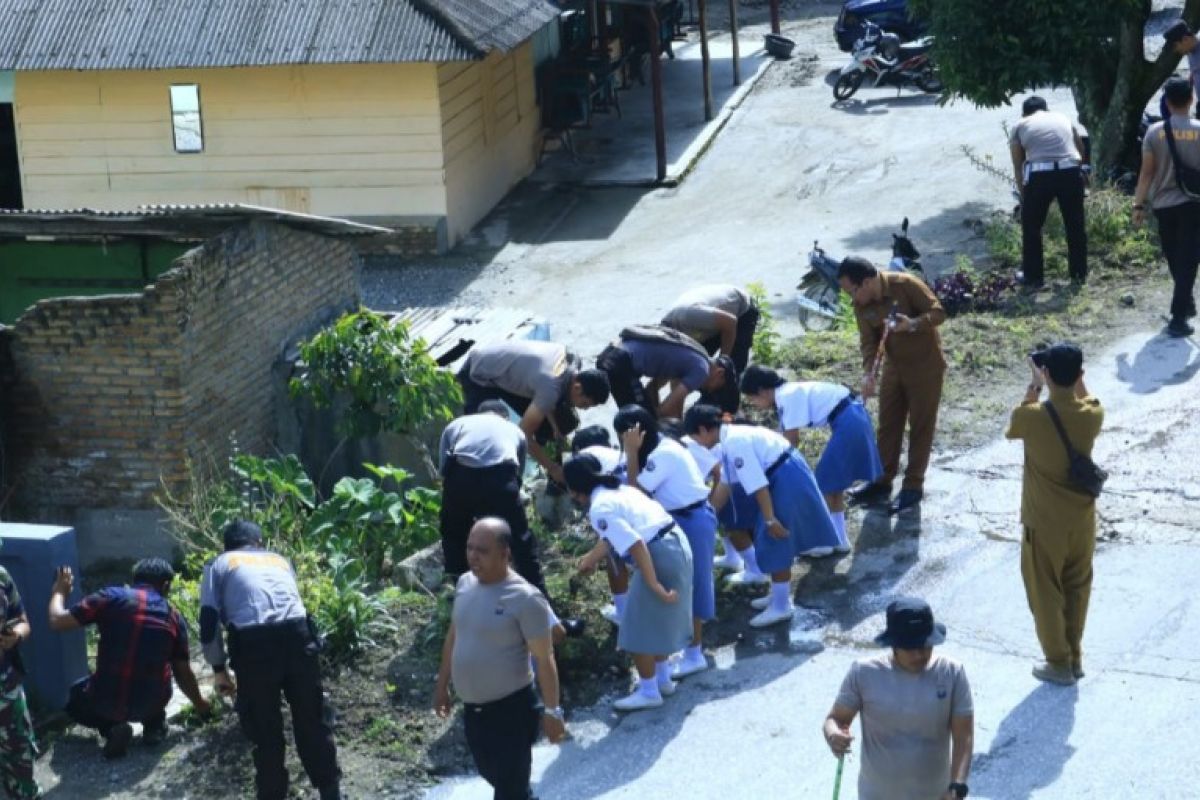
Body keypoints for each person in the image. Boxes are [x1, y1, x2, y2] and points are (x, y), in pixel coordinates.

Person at [200, 521, 342, 800]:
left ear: (227, 545)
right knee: (312, 719)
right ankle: (331, 792)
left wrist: (219, 669)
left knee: (265, 729)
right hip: (300, 638)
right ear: (258, 542)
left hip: (255, 647)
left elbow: (208, 621)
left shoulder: (219, 564)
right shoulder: (279, 560)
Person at [433, 518, 566, 800]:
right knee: (497, 777)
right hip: (473, 712)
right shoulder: (465, 584)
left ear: (505, 553)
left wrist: (553, 712)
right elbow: (454, 636)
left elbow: (545, 659)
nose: (472, 556)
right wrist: (442, 684)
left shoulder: (526, 598)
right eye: (470, 548)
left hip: (512, 712)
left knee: (509, 790)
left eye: (482, 550)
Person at [684, 405, 840, 628]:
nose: (698, 444)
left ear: (703, 430)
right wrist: (708, 516)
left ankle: (781, 605)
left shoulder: (735, 442)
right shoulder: (731, 440)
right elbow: (726, 486)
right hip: (784, 473)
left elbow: (758, 485)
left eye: (695, 438)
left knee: (774, 536)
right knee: (772, 538)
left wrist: (769, 519)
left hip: (784, 478)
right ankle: (778, 595)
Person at [438, 401, 583, 640]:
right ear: (504, 417)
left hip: (460, 476)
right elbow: (517, 474)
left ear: (479, 413)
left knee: (455, 540)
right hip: (500, 478)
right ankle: (547, 617)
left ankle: (462, 607)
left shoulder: (458, 424)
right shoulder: (514, 430)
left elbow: (445, 467)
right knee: (522, 547)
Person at [1005, 343, 1103, 685]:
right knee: (1077, 585)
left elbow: (1014, 426)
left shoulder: (1030, 417)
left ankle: (1058, 663)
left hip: (1043, 523)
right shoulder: (1092, 416)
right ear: (1079, 375)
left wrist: (1035, 383)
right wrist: (1072, 380)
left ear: (1046, 373)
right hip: (1082, 520)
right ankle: (1074, 656)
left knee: (1045, 592)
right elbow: (1087, 397)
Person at [566, 455, 693, 711]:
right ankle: (663, 679)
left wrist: (653, 583)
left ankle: (648, 692)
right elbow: (614, 536)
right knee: (656, 619)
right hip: (675, 543)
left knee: (634, 627)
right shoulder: (620, 489)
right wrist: (591, 558)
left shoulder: (599, 507)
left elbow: (635, 543)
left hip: (658, 554)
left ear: (573, 489)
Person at [47, 559, 209, 759]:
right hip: (150, 703)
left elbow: (57, 621)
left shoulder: (110, 598)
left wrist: (59, 591)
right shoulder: (174, 617)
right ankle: (154, 726)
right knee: (158, 678)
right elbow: (183, 672)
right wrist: (201, 705)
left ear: (134, 580)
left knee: (76, 698)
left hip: (105, 701)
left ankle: (111, 728)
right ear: (166, 585)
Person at [823, 598, 973, 800]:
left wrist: (958, 785)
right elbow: (836, 719)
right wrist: (834, 736)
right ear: (893, 645)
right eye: (910, 648)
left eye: (925, 645)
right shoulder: (863, 673)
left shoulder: (952, 673)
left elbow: (963, 737)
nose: (920, 654)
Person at [838, 257, 946, 515]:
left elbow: (939, 312)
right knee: (887, 425)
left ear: (866, 282)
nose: (852, 299)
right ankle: (881, 481)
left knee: (920, 425)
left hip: (925, 366)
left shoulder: (906, 284)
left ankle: (913, 486)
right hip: (894, 368)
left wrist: (914, 324)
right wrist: (868, 373)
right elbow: (868, 341)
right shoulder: (861, 305)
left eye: (852, 291)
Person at [615, 406, 716, 680]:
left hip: (691, 519)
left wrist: (632, 452)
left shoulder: (663, 453)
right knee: (680, 585)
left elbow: (636, 493)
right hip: (680, 518)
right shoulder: (661, 448)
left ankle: (695, 654)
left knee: (694, 585)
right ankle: (682, 647)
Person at [741, 365, 883, 554]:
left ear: (762, 391)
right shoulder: (788, 393)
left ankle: (822, 543)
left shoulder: (786, 397)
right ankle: (840, 539)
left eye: (752, 399)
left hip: (849, 422)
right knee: (833, 485)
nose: (754, 404)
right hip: (855, 416)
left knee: (822, 484)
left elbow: (790, 441)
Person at [457, 340, 610, 485]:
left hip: (507, 371)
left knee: (562, 422)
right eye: (584, 404)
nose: (583, 409)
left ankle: (547, 475)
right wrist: (553, 468)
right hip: (478, 372)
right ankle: (502, 481)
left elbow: (549, 393)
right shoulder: (551, 388)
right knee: (486, 438)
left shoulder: (571, 362)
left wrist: (555, 427)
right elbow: (522, 434)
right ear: (577, 387)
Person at [1132, 77, 1200, 338]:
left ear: (1167, 102)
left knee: (1174, 256)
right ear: (1191, 99)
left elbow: (1146, 173)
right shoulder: (1198, 129)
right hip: (1194, 204)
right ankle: (1181, 312)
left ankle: (1180, 310)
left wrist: (1138, 204)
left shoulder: (1154, 132)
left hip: (1164, 205)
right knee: (1188, 259)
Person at [1009, 95, 1089, 287]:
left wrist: (1024, 195)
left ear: (1024, 113)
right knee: (1075, 224)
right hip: (1070, 171)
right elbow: (1080, 148)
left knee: (1032, 226)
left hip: (1040, 176)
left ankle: (1033, 276)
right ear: (1047, 109)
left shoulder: (1020, 125)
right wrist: (1078, 171)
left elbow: (1018, 166)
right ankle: (1079, 273)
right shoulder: (1063, 119)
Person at [596, 326, 738, 418]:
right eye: (716, 388)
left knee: (632, 416)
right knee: (640, 419)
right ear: (719, 373)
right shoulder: (701, 370)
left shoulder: (694, 354)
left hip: (609, 354)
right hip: (621, 363)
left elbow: (652, 389)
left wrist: (654, 413)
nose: (708, 391)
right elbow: (665, 410)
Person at [0, 565, 40, 800]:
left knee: (20, 752)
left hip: (7, 688)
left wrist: (15, 635)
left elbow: (24, 622)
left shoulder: (2, 576)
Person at [660, 284, 760, 372]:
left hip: (740, 312)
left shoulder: (687, 315)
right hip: (711, 322)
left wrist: (723, 360)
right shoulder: (671, 328)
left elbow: (731, 321)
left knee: (732, 368)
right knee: (698, 365)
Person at [1164, 20, 1200, 115]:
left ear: (1185, 39)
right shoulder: (1190, 52)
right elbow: (1195, 70)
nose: (1176, 50)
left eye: (1176, 45)